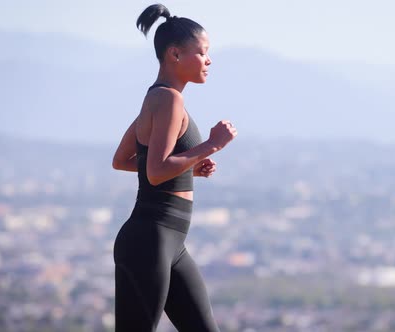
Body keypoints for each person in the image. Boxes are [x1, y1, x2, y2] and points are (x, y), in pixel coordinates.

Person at [111, 4, 237, 331]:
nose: (209, 60)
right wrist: (212, 144)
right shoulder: (168, 100)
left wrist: (188, 170)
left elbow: (124, 160)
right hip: (150, 239)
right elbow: (155, 171)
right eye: (202, 52)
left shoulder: (155, 98)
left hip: (168, 244)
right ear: (175, 55)